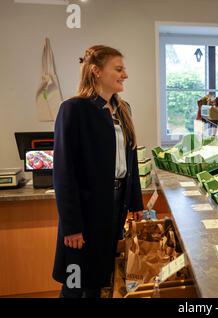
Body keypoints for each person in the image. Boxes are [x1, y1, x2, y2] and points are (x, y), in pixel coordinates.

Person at [52, 45, 144, 298]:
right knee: (75, 280)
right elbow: (63, 173)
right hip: (85, 209)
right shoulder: (73, 109)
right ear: (96, 71)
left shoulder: (122, 109)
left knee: (100, 277)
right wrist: (71, 226)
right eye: (118, 69)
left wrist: (136, 202)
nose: (125, 74)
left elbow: (132, 159)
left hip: (115, 205)